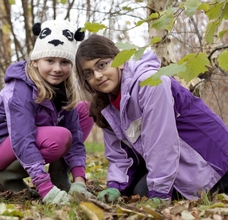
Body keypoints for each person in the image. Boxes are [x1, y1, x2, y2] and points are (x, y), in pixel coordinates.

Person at [74, 34, 228, 203]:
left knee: (143, 191)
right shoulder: (106, 105)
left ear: (120, 61)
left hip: (212, 163)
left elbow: (162, 143)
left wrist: (160, 193)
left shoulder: (151, 83)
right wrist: (115, 186)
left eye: (102, 65)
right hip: (177, 162)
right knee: (133, 191)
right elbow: (119, 155)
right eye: (89, 73)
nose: (97, 76)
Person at [0, 20, 95, 205]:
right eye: (50, 60)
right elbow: (22, 138)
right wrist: (44, 187)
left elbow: (75, 136)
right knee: (60, 137)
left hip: (35, 136)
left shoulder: (64, 89)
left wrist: (80, 180)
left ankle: (60, 177)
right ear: (35, 61)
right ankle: (8, 177)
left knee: (85, 111)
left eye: (64, 62)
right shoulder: (19, 89)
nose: (57, 68)